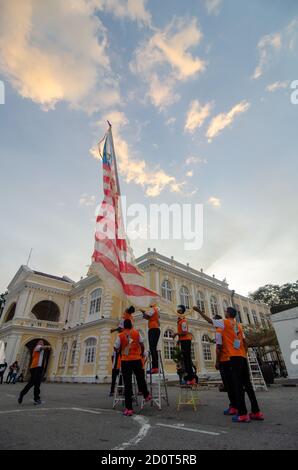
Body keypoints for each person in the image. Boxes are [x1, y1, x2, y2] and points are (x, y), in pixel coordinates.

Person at [193, 305, 264, 423]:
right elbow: (245, 342)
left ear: (229, 314)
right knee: (248, 385)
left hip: (234, 357)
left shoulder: (224, 322)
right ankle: (256, 412)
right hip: (242, 357)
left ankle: (242, 414)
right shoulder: (238, 326)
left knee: (237, 385)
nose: (224, 312)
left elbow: (209, 320)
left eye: (226, 311)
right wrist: (244, 353)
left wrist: (198, 310)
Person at [114, 319, 151, 416]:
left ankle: (129, 409)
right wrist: (141, 353)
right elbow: (142, 344)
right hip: (136, 359)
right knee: (140, 378)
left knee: (127, 384)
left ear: (123, 326)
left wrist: (120, 351)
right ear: (131, 325)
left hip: (126, 361)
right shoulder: (136, 333)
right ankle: (146, 395)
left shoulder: (120, 335)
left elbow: (116, 347)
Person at [215, 320, 238, 416]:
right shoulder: (235, 328)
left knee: (228, 384)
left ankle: (233, 406)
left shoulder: (219, 331)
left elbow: (219, 348)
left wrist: (217, 361)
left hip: (224, 361)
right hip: (233, 359)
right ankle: (238, 405)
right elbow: (238, 342)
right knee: (235, 384)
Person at [18, 340, 51, 405]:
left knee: (33, 383)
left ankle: (23, 394)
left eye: (43, 343)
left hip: (38, 368)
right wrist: (47, 346)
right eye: (40, 342)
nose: (42, 343)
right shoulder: (37, 347)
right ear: (38, 343)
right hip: (36, 368)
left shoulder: (41, 351)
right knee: (36, 384)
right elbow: (41, 348)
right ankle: (36, 399)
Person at [173, 305, 196, 385]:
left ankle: (191, 378)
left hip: (186, 341)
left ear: (181, 311)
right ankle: (190, 377)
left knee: (187, 360)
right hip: (183, 340)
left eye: (178, 309)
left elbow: (185, 332)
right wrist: (179, 340)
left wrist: (176, 334)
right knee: (186, 360)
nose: (177, 310)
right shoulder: (180, 320)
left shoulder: (183, 321)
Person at [140, 305, 160, 374]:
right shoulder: (154, 310)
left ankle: (155, 367)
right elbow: (147, 317)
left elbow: (147, 316)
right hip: (154, 329)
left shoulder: (153, 309)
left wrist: (143, 311)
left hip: (153, 329)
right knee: (153, 348)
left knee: (152, 348)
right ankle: (155, 367)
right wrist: (143, 313)